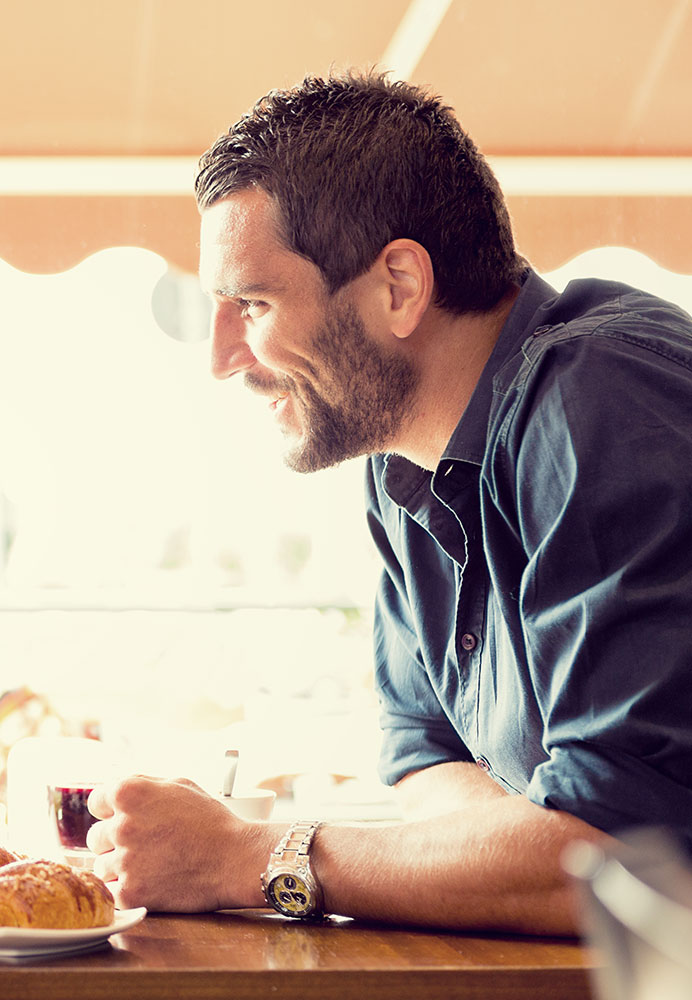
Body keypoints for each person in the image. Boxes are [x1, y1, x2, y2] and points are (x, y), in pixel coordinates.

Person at [86, 70, 692, 936]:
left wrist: (247, 858)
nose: (221, 357)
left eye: (253, 302)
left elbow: (630, 862)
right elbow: (421, 751)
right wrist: (530, 856)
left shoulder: (603, 400)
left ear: (400, 286)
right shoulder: (406, 463)